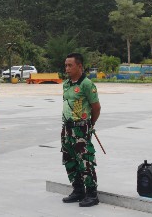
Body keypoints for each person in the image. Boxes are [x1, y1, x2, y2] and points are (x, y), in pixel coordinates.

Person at [61, 52, 101, 207]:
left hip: (81, 128)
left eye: (70, 65)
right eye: (66, 65)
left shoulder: (87, 84)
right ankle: (78, 190)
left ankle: (92, 194)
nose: (67, 68)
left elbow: (96, 107)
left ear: (79, 66)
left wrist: (90, 124)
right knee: (69, 160)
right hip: (67, 128)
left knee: (85, 161)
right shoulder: (66, 84)